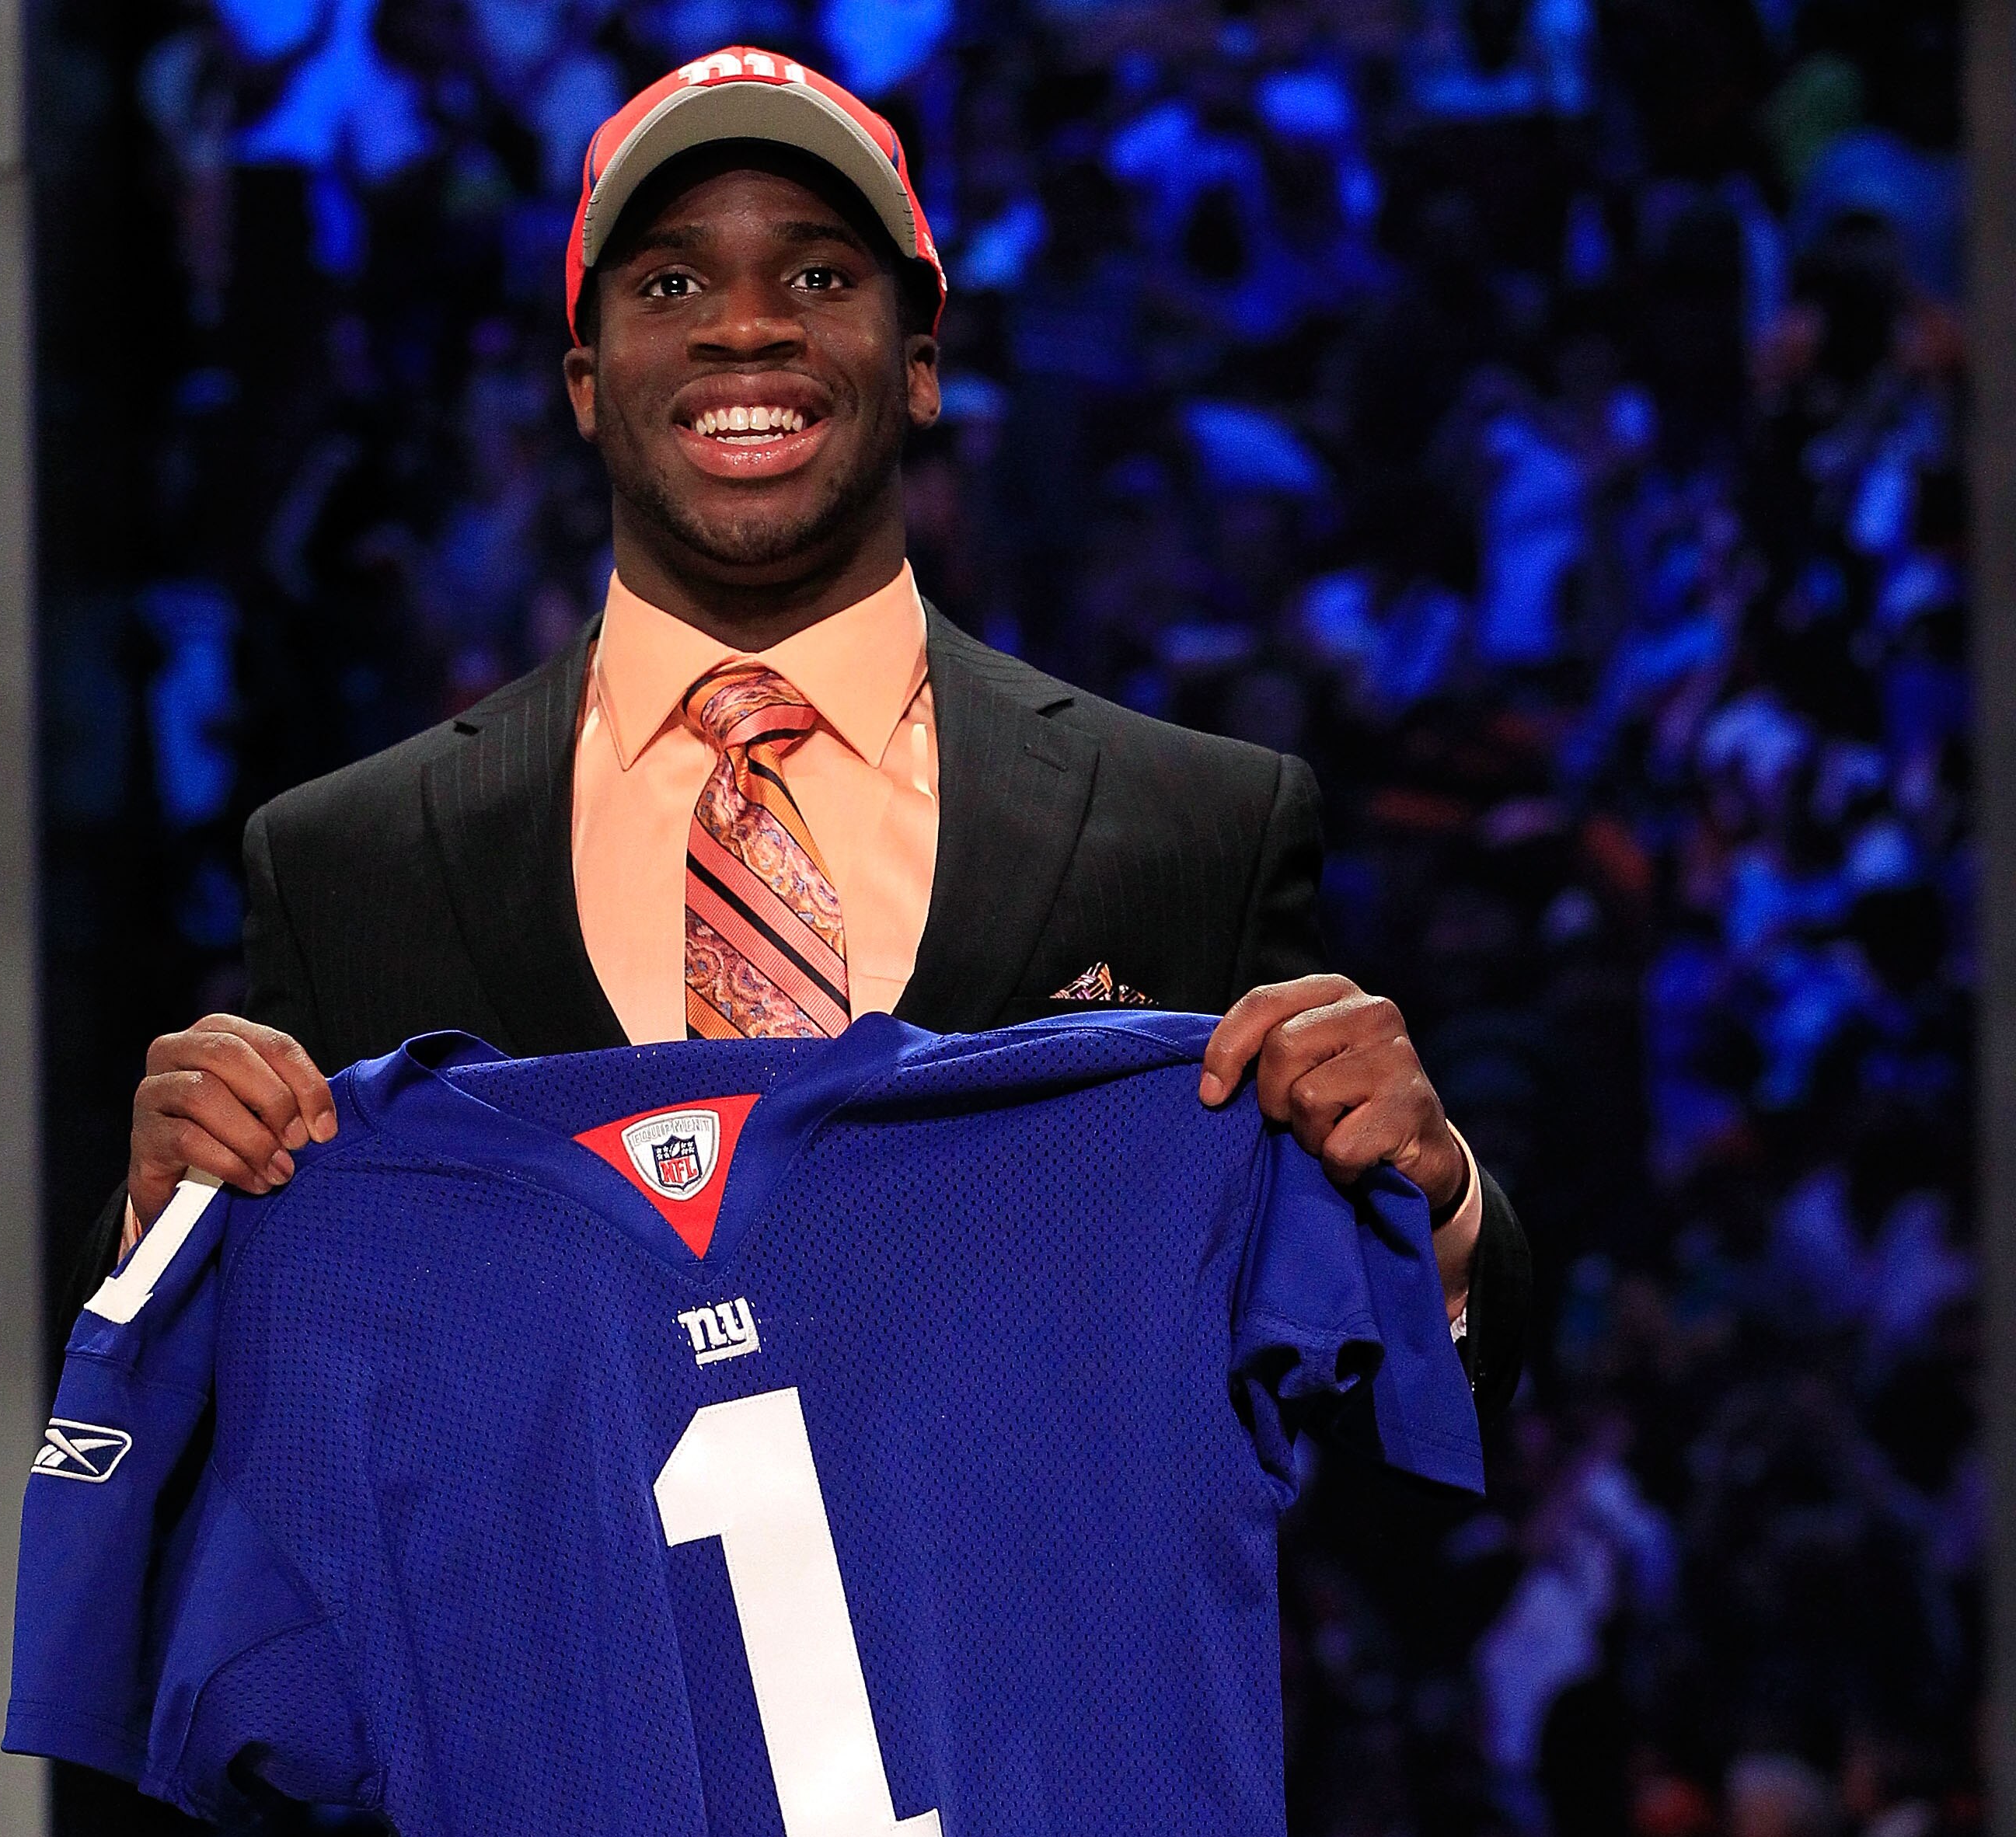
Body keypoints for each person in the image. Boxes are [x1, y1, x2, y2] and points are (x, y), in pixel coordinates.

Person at [90, 47, 1532, 1410]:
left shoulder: (1191, 829)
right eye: (667, 282)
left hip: (1043, 1671)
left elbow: (1372, 1397)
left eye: (819, 273)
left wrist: (1433, 1199)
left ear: (919, 359)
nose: (745, 324)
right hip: (545, 1674)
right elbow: (262, 1428)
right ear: (586, 386)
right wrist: (165, 1227)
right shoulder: (355, 865)